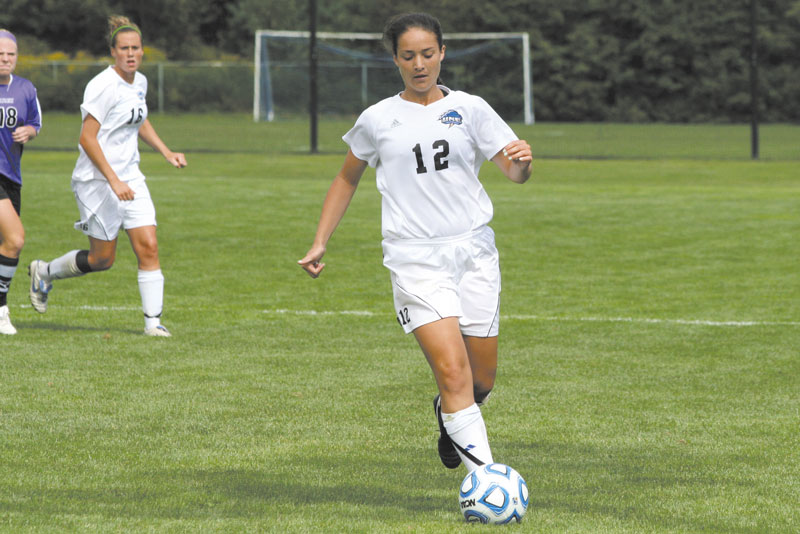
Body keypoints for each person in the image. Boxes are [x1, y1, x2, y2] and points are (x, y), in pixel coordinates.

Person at [298, 13, 532, 473]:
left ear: (443, 53)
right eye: (409, 56)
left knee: (480, 380)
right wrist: (320, 241)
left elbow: (513, 171)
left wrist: (523, 163)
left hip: (474, 253)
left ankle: (450, 418)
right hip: (415, 259)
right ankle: (486, 481)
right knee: (453, 373)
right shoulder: (378, 119)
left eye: (428, 54)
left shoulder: (471, 108)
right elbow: (347, 178)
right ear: (395, 60)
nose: (420, 64)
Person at [28, 16, 186, 337]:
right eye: (124, 48)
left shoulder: (139, 82)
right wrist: (114, 180)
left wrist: (166, 152)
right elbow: (87, 138)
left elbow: (139, 120)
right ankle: (44, 272)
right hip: (97, 183)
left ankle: (153, 325)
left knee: (149, 247)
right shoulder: (102, 85)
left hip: (132, 179)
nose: (130, 53)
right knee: (103, 259)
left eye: (136, 48)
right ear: (112, 51)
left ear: (143, 52)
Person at [0, 29, 42, 335]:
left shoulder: (26, 89)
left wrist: (29, 131)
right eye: (0, 54)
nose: (5, 59)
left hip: (12, 176)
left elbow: (35, 123)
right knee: (15, 238)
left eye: (10, 54)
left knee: (6, 245)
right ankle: (1, 309)